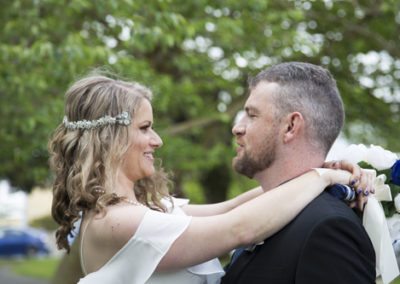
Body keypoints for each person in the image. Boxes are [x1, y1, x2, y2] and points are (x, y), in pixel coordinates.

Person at [48, 72, 371, 284]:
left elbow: (231, 208)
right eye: (145, 128)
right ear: (110, 138)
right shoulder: (119, 222)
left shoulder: (146, 210)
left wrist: (327, 171)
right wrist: (320, 175)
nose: (157, 140)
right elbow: (240, 227)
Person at [221, 62, 376, 283]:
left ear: (291, 126)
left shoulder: (328, 228)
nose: (237, 128)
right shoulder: (262, 215)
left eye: (252, 115)